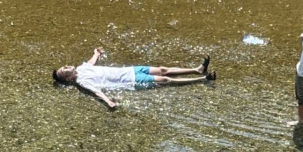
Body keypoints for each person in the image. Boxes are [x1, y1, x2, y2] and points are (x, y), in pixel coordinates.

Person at [53, 47, 216, 110]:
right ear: (67, 79)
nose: (66, 66)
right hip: (131, 82)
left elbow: (91, 63)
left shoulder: (82, 68)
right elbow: (96, 92)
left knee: (163, 69)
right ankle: (202, 79)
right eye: (64, 70)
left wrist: (96, 53)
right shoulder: (81, 82)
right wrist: (108, 102)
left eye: (64, 66)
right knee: (166, 80)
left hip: (129, 70)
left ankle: (198, 69)